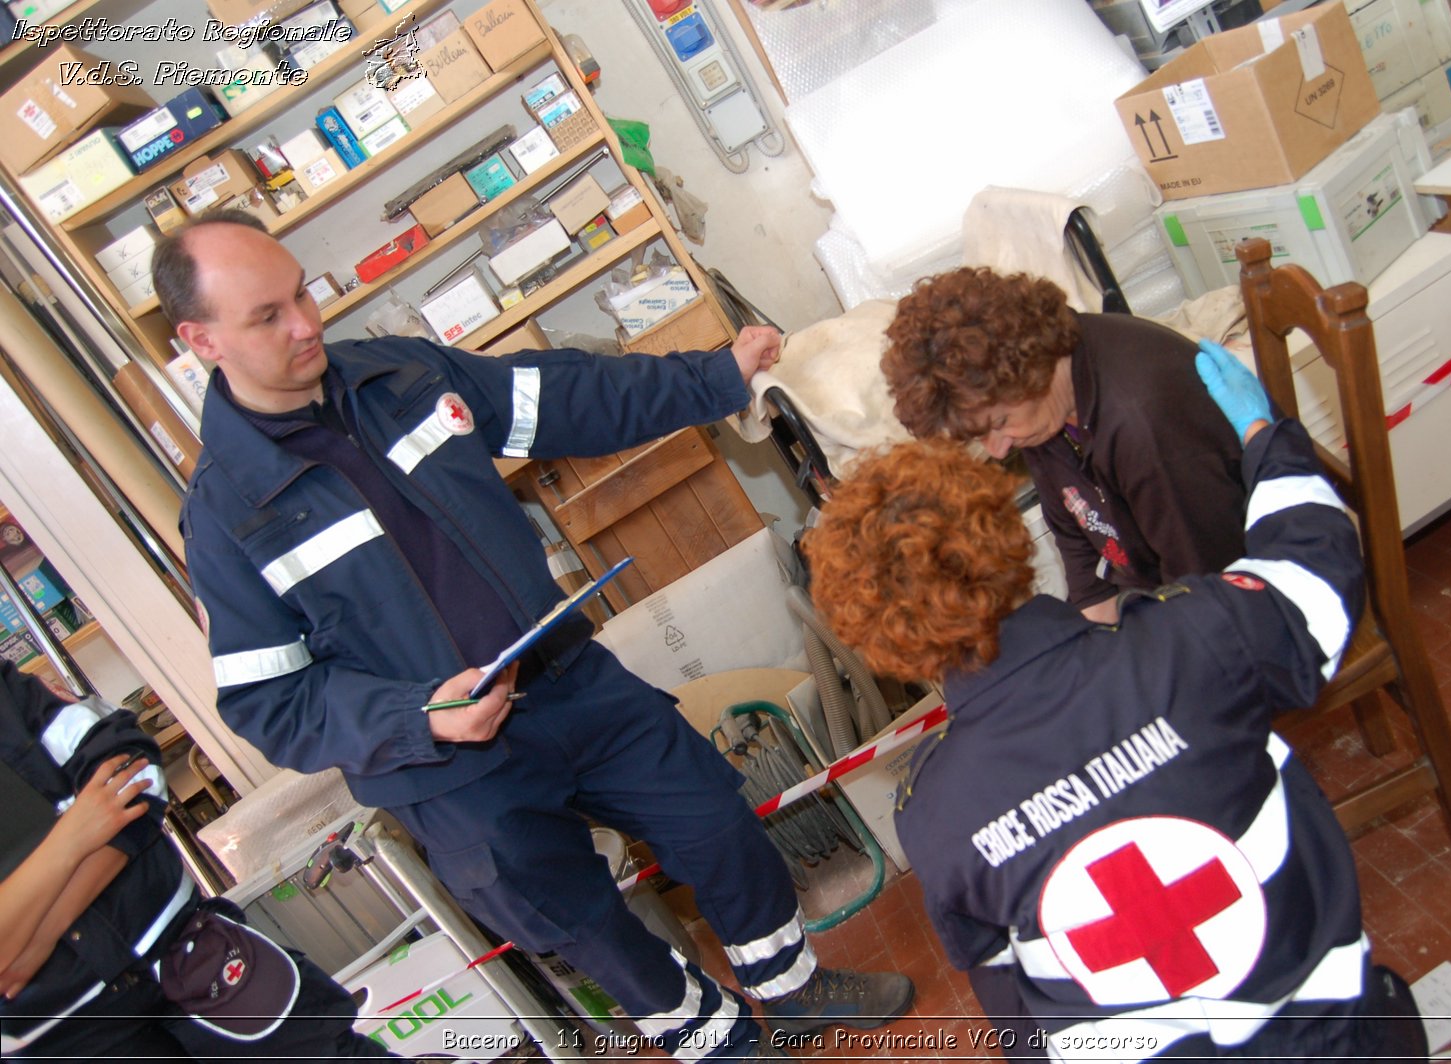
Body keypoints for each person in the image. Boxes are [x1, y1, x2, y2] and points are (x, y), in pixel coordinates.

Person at [155, 211, 913, 1060]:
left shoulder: (400, 375)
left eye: (301, 292)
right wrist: (418, 715)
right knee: (584, 925)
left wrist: (713, 377)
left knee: (714, 820)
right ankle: (717, 1041)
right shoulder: (226, 519)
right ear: (202, 341)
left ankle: (791, 985)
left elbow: (564, 399)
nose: (305, 324)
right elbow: (271, 703)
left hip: (567, 680)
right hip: (446, 770)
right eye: (267, 316)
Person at [803, 342, 1429, 1060]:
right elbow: (1319, 574)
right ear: (1006, 537)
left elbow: (1017, 1017)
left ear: (878, 642)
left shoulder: (931, 815)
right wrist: (1266, 442)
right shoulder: (1192, 639)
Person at [0, 660, 391, 1059]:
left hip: (190, 952)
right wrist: (72, 837)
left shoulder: (8, 697)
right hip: (64, 1035)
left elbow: (131, 772)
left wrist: (43, 930)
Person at [880, 266, 1246, 624]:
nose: (998, 450)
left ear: (1034, 371)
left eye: (999, 424)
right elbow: (1078, 541)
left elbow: (1208, 593)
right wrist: (1095, 630)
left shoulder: (1144, 425)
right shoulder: (1044, 406)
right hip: (1161, 597)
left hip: (1237, 606)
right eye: (980, 435)